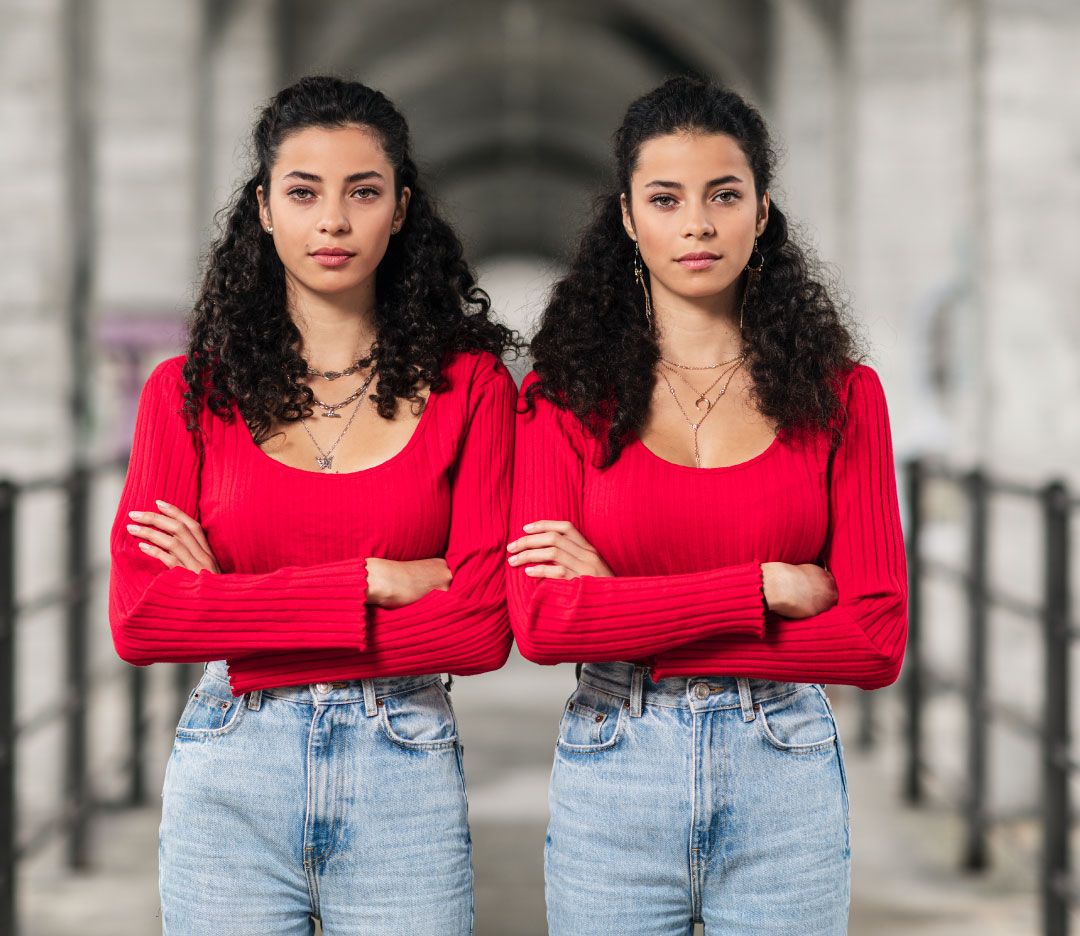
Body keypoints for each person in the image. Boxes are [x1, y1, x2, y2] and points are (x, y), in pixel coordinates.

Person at [109, 75, 517, 935]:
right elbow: (145, 617)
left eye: (362, 192)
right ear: (263, 208)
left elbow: (481, 627)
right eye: (303, 192)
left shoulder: (470, 387)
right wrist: (375, 579)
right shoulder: (185, 394)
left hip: (404, 760)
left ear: (400, 209)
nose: (332, 220)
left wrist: (226, 602)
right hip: (230, 766)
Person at [507, 76, 906, 935]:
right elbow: (542, 624)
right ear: (626, 217)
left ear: (761, 212)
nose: (696, 224)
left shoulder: (844, 396)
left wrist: (615, 595)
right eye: (666, 198)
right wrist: (759, 589)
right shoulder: (563, 399)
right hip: (616, 757)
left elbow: (873, 641)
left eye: (724, 195)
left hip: (786, 764)